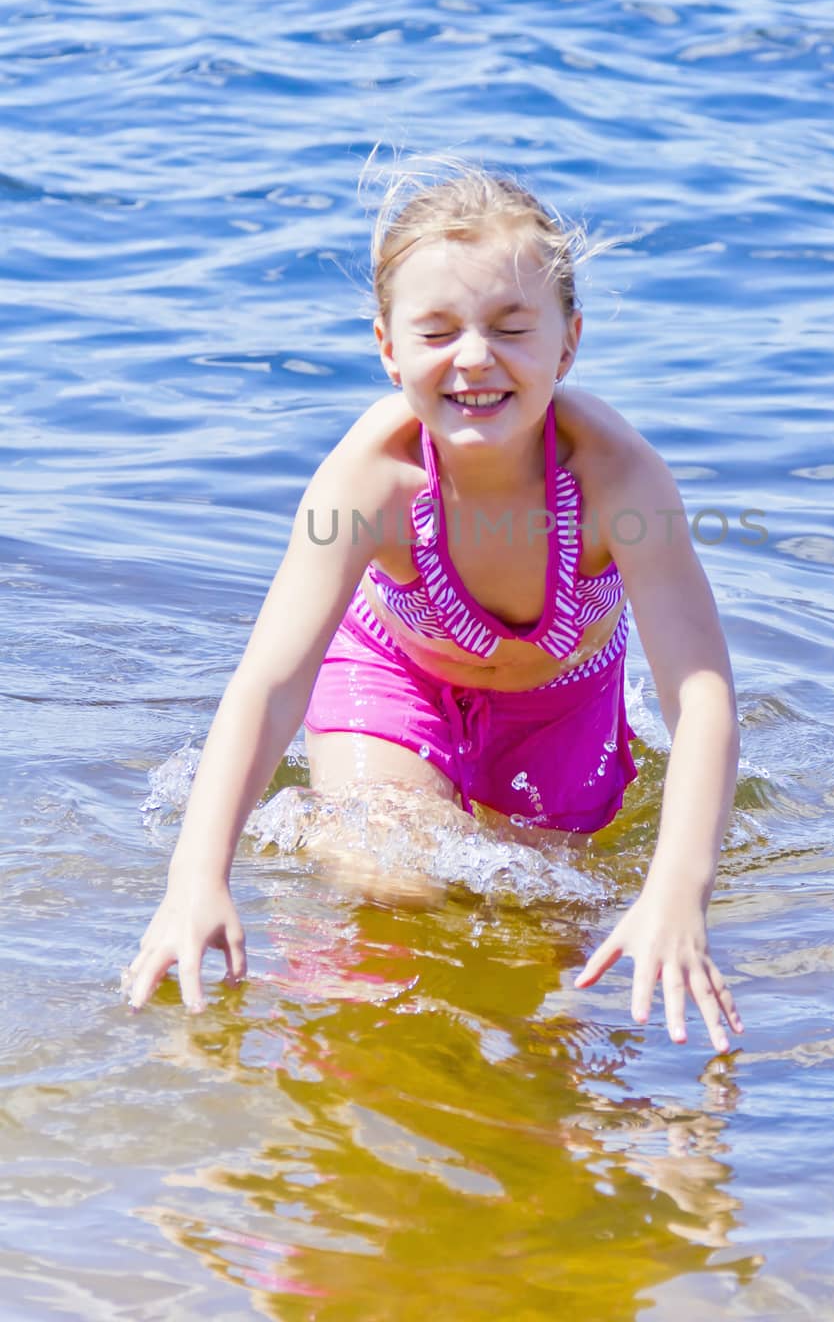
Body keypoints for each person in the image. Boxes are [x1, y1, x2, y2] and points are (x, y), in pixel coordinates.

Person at [124, 164, 744, 1051]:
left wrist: (677, 895)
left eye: (512, 328)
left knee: (545, 923)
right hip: (393, 681)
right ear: (387, 347)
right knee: (389, 881)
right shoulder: (372, 479)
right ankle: (331, 1034)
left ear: (567, 346)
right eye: (437, 332)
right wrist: (196, 878)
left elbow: (701, 693)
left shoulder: (615, 481)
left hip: (563, 709)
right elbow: (269, 682)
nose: (475, 358)